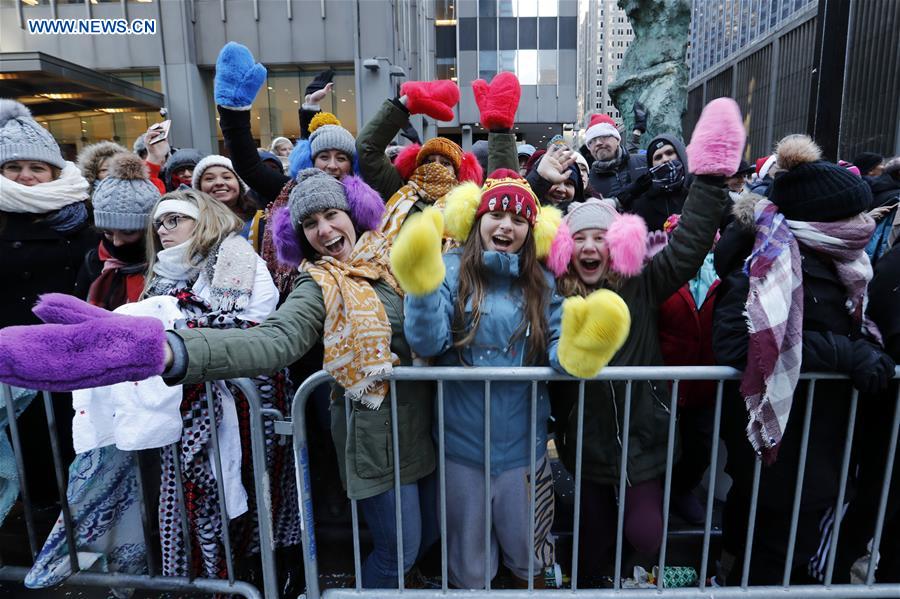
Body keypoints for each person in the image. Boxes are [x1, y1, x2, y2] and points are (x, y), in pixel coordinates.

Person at [0, 168, 439, 589]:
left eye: (330, 215)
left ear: (354, 213)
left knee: (430, 537)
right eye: (309, 223)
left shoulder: (391, 262)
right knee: (399, 550)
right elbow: (273, 340)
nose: (323, 230)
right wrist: (170, 350)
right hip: (375, 437)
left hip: (428, 429)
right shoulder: (318, 283)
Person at [391, 168, 630, 589]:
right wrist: (423, 289)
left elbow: (558, 347)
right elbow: (427, 343)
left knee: (528, 553)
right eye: (497, 215)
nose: (506, 225)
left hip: (525, 448)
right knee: (469, 561)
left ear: (530, 231)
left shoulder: (544, 282)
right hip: (460, 447)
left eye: (518, 220)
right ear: (477, 220)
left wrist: (580, 348)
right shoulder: (449, 271)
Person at [547, 98, 743, 582]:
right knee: (592, 543)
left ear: (614, 243)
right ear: (569, 250)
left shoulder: (642, 282)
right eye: (581, 239)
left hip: (644, 436)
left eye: (600, 237)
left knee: (647, 532)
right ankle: (598, 587)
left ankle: (634, 578)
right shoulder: (554, 295)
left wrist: (713, 179)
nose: (591, 246)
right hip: (587, 442)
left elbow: (689, 247)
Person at [711, 134, 895, 585]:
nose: (861, 223)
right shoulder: (765, 262)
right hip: (781, 447)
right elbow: (739, 342)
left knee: (791, 553)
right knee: (770, 560)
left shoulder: (839, 261)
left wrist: (860, 350)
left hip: (822, 442)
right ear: (821, 218)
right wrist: (842, 353)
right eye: (850, 215)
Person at [0, 98, 97, 505]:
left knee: (67, 449)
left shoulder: (80, 214)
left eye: (36, 167)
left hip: (69, 354)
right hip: (8, 358)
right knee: (22, 453)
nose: (26, 177)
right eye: (13, 168)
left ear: (55, 171)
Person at [73, 152, 160, 309]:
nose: (117, 243)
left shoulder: (166, 265)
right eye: (108, 233)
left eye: (128, 232)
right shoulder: (94, 261)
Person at [621, 133, 690, 232]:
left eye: (669, 153)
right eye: (658, 157)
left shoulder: (696, 193)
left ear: (679, 155)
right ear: (651, 165)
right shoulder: (642, 205)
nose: (665, 159)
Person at [583, 113, 648, 202]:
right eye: (592, 141)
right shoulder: (589, 183)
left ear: (617, 139)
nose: (598, 143)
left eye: (603, 137)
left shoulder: (644, 163)